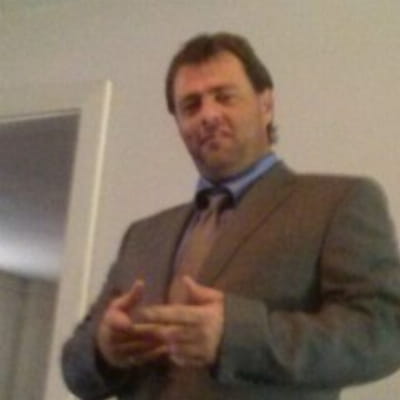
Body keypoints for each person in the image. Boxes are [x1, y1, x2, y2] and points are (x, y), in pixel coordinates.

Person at [62, 32, 400, 400]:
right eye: (191, 105)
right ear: (179, 125)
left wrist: (237, 337)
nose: (208, 115)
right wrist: (104, 350)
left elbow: (385, 332)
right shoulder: (142, 235)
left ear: (266, 104)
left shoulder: (339, 203)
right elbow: (74, 368)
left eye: (224, 96)